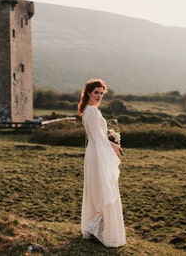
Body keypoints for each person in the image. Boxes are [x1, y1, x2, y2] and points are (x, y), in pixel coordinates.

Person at [77, 78, 126, 247]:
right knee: (101, 189)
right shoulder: (90, 111)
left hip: (98, 150)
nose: (99, 96)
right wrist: (113, 146)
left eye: (101, 93)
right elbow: (97, 137)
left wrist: (110, 143)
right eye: (96, 92)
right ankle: (97, 229)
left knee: (101, 188)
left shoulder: (93, 111)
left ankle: (98, 228)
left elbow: (100, 136)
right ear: (89, 93)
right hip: (96, 153)